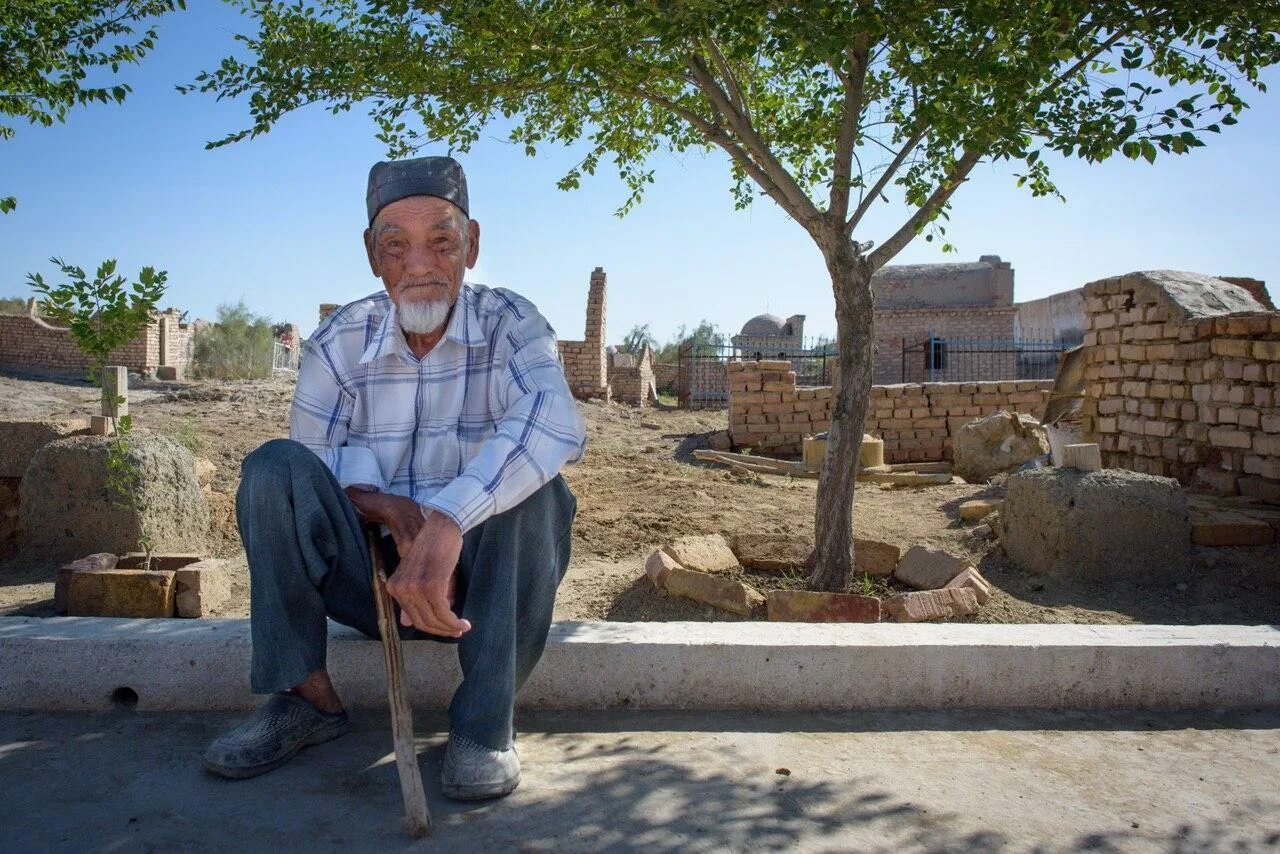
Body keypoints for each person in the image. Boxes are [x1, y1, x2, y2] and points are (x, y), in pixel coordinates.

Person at [203, 155, 586, 800]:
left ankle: (485, 726)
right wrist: (387, 509)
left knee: (541, 494)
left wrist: (446, 521)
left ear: (472, 246)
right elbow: (313, 467)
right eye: (396, 245)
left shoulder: (512, 324)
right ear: (371, 254)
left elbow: (553, 426)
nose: (420, 265)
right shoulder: (340, 340)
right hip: (367, 581)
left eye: (441, 241)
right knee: (273, 470)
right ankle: (305, 701)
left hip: (479, 587)